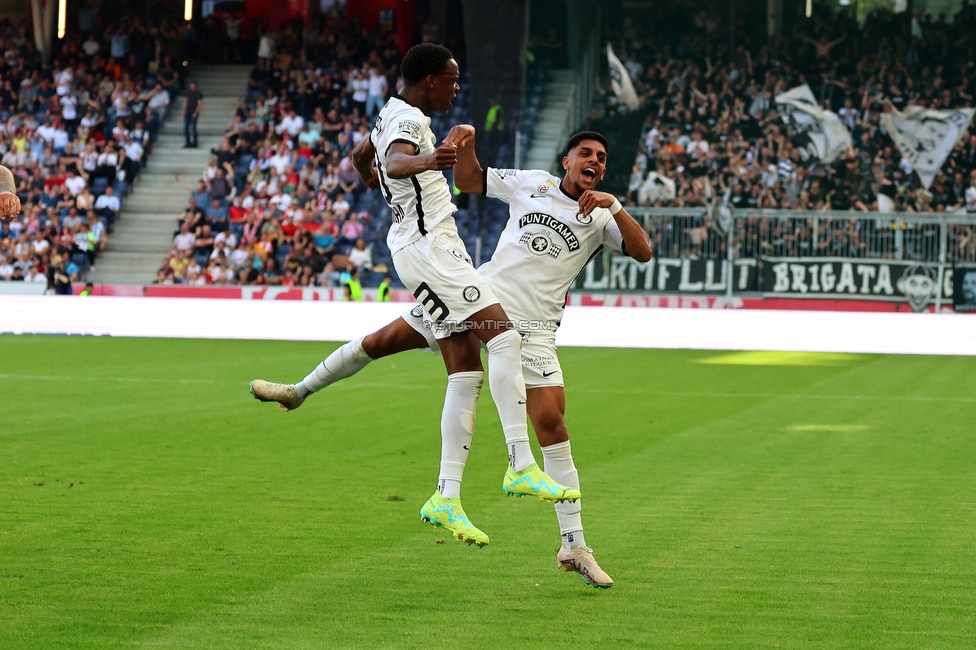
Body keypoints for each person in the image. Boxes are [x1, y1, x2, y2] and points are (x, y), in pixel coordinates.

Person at [250, 131, 652, 588]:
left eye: (601, 157)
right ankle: (298, 391)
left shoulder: (601, 217)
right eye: (586, 153)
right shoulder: (532, 183)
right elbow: (470, 178)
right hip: (478, 301)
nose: (594, 161)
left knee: (553, 425)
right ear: (567, 160)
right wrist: (468, 144)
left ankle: (575, 545)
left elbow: (642, 251)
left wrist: (614, 205)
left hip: (535, 331)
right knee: (383, 341)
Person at [252, 43, 579, 549]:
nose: (454, 87)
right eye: (450, 80)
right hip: (430, 250)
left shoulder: (386, 115)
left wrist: (382, 184)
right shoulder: (407, 121)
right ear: (429, 80)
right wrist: (431, 159)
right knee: (504, 336)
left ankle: (445, 497)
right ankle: (520, 463)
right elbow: (399, 161)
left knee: (464, 369)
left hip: (431, 247)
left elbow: (366, 158)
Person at [183, 81, 203, 148]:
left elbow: (199, 103)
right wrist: (184, 110)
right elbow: (186, 101)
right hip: (188, 111)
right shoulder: (188, 93)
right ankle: (187, 142)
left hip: (194, 111)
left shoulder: (198, 94)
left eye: (193, 85)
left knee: (193, 128)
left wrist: (196, 112)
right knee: (186, 127)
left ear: (195, 86)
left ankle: (195, 143)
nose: (192, 87)